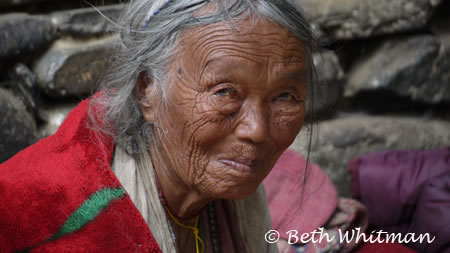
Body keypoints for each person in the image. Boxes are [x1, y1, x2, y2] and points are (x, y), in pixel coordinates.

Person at [0, 0, 318, 252]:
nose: (258, 130)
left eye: (285, 96)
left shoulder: (236, 200)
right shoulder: (33, 210)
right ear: (146, 89)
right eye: (224, 92)